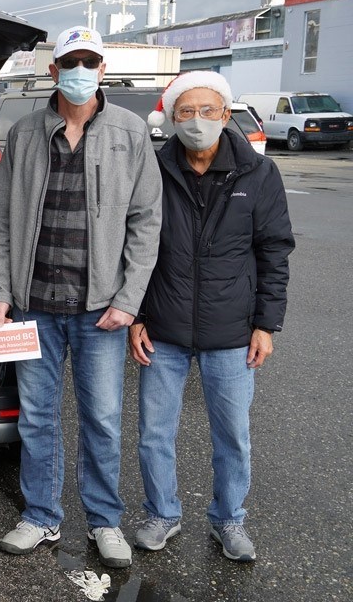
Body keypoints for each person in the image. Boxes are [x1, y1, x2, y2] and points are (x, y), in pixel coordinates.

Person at [0, 26, 162, 568]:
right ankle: (41, 516)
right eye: (70, 62)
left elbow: (146, 222)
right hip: (33, 304)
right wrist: (0, 290)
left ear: (102, 70)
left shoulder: (130, 132)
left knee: (103, 419)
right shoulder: (24, 133)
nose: (79, 70)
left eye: (89, 61)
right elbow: (0, 218)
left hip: (100, 311)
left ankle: (105, 521)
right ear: (53, 70)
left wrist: (129, 300)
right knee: (37, 418)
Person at [131, 72, 294, 562]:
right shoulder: (153, 169)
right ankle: (162, 513)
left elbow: (274, 252)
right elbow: (132, 245)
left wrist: (266, 324)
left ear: (226, 115)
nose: (197, 121)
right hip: (163, 326)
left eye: (208, 111)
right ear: (171, 118)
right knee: (155, 432)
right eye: (186, 111)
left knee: (233, 435)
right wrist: (136, 314)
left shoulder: (258, 174)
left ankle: (229, 520)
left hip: (232, 331)